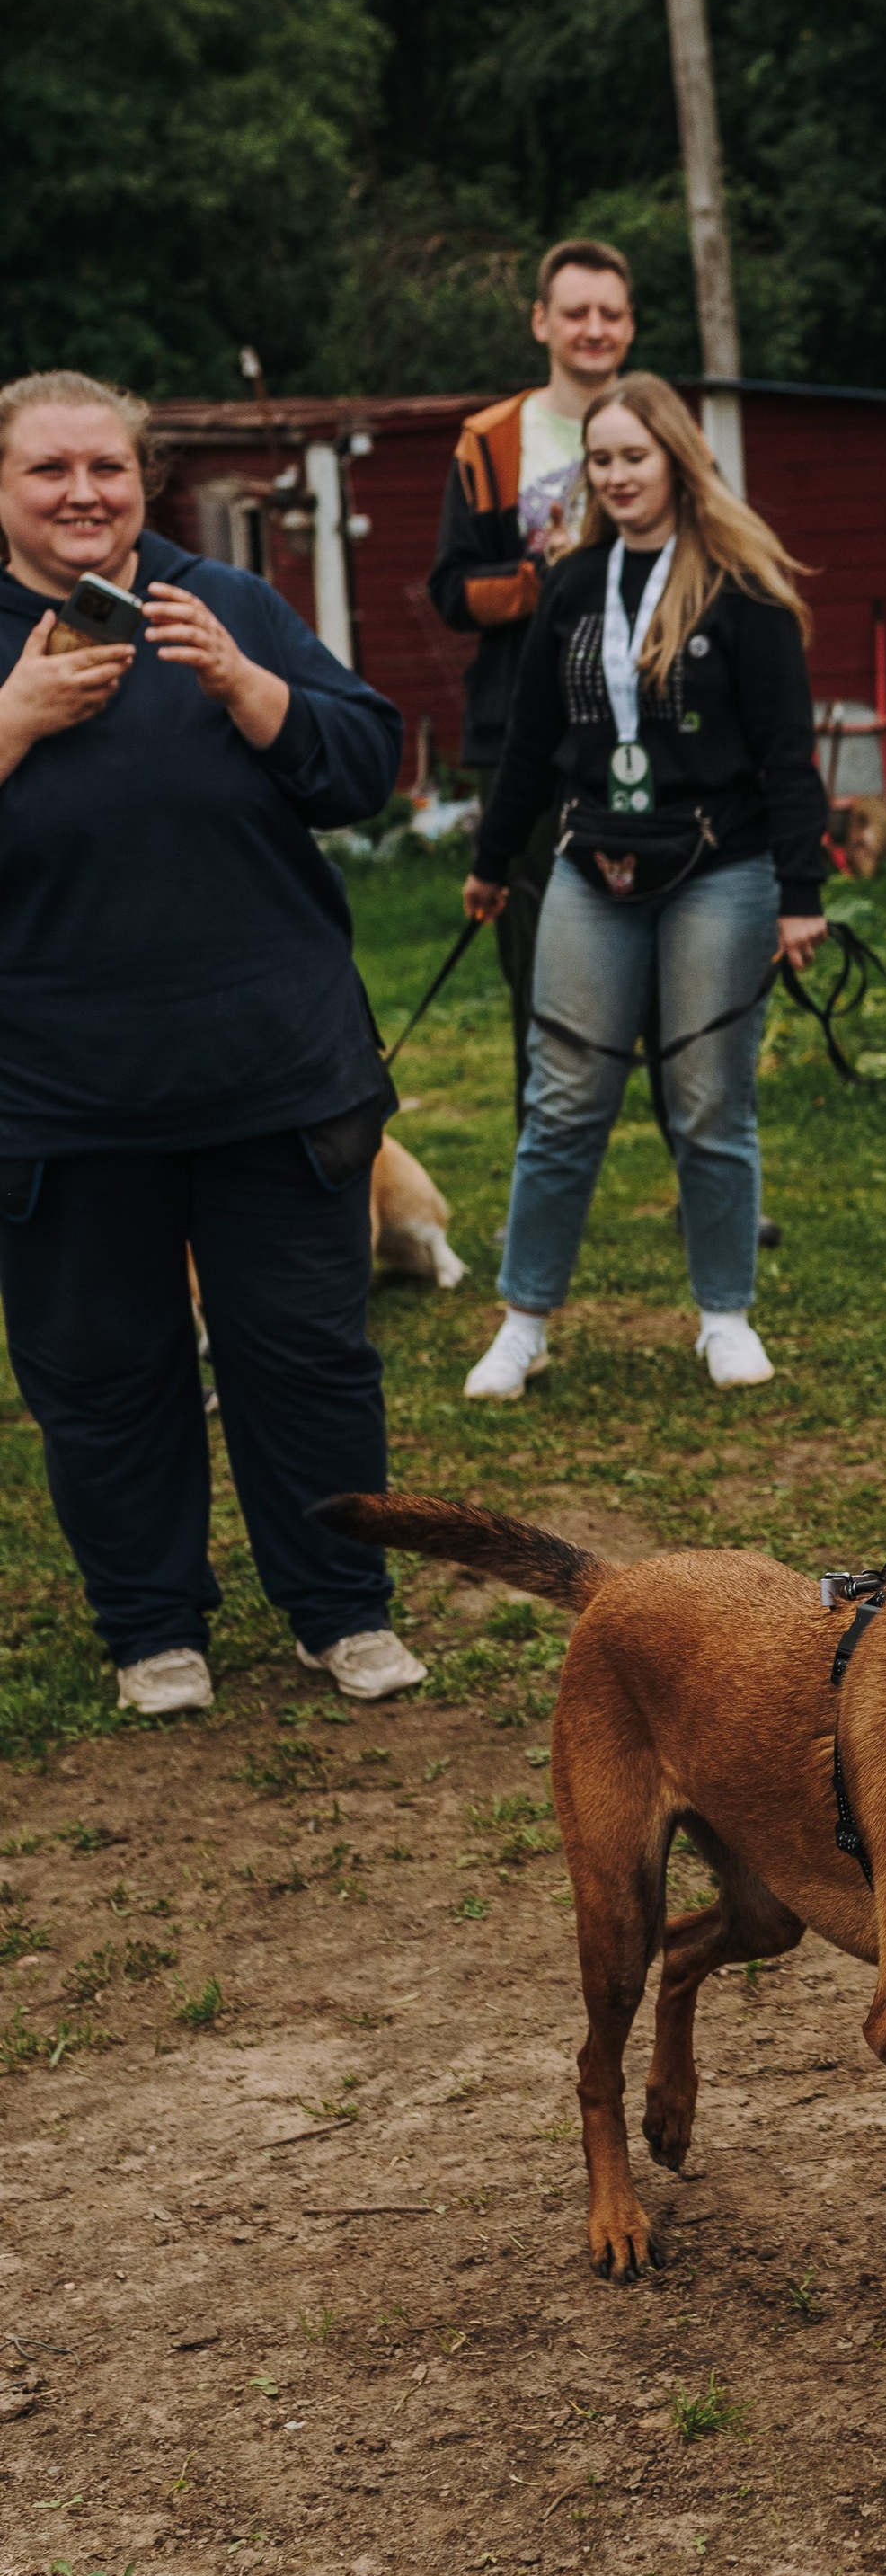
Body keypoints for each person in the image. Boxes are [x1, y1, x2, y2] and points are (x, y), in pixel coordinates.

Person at [0, 371, 421, 1718]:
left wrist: (248, 686)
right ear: (3, 488)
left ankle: (343, 1611)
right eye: (50, 470)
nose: (83, 493)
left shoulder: (225, 601)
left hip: (274, 1076)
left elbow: (365, 764)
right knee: (106, 1377)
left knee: (305, 1360)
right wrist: (12, 722)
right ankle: (151, 1629)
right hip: (62, 1099)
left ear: (145, 477)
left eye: (107, 469)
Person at [459, 374, 833, 1399]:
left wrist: (802, 890)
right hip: (591, 864)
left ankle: (724, 1318)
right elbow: (531, 742)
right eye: (601, 459)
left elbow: (789, 755)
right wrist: (493, 863)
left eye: (634, 455)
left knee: (710, 1102)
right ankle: (522, 1321)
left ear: (675, 458)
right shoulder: (574, 584)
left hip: (722, 867)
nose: (616, 475)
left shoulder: (742, 587)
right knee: (564, 1101)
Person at [428, 240, 636, 1122]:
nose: (594, 329)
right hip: (527, 733)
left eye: (611, 313)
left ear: (629, 326)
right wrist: (543, 576)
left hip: (648, 729)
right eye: (576, 312)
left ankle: (702, 1184)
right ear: (541, 322)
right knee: (538, 960)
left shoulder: (658, 427)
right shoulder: (492, 439)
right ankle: (542, 1178)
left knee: (676, 958)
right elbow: (451, 592)